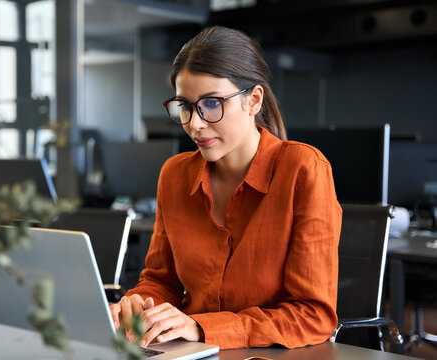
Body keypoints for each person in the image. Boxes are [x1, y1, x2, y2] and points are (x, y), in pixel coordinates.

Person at [109, 26, 342, 350]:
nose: (195, 123)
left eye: (212, 103)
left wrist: (203, 328)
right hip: (188, 352)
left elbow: (313, 316)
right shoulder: (175, 174)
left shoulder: (302, 170)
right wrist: (138, 304)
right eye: (186, 106)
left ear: (253, 100)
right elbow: (162, 282)